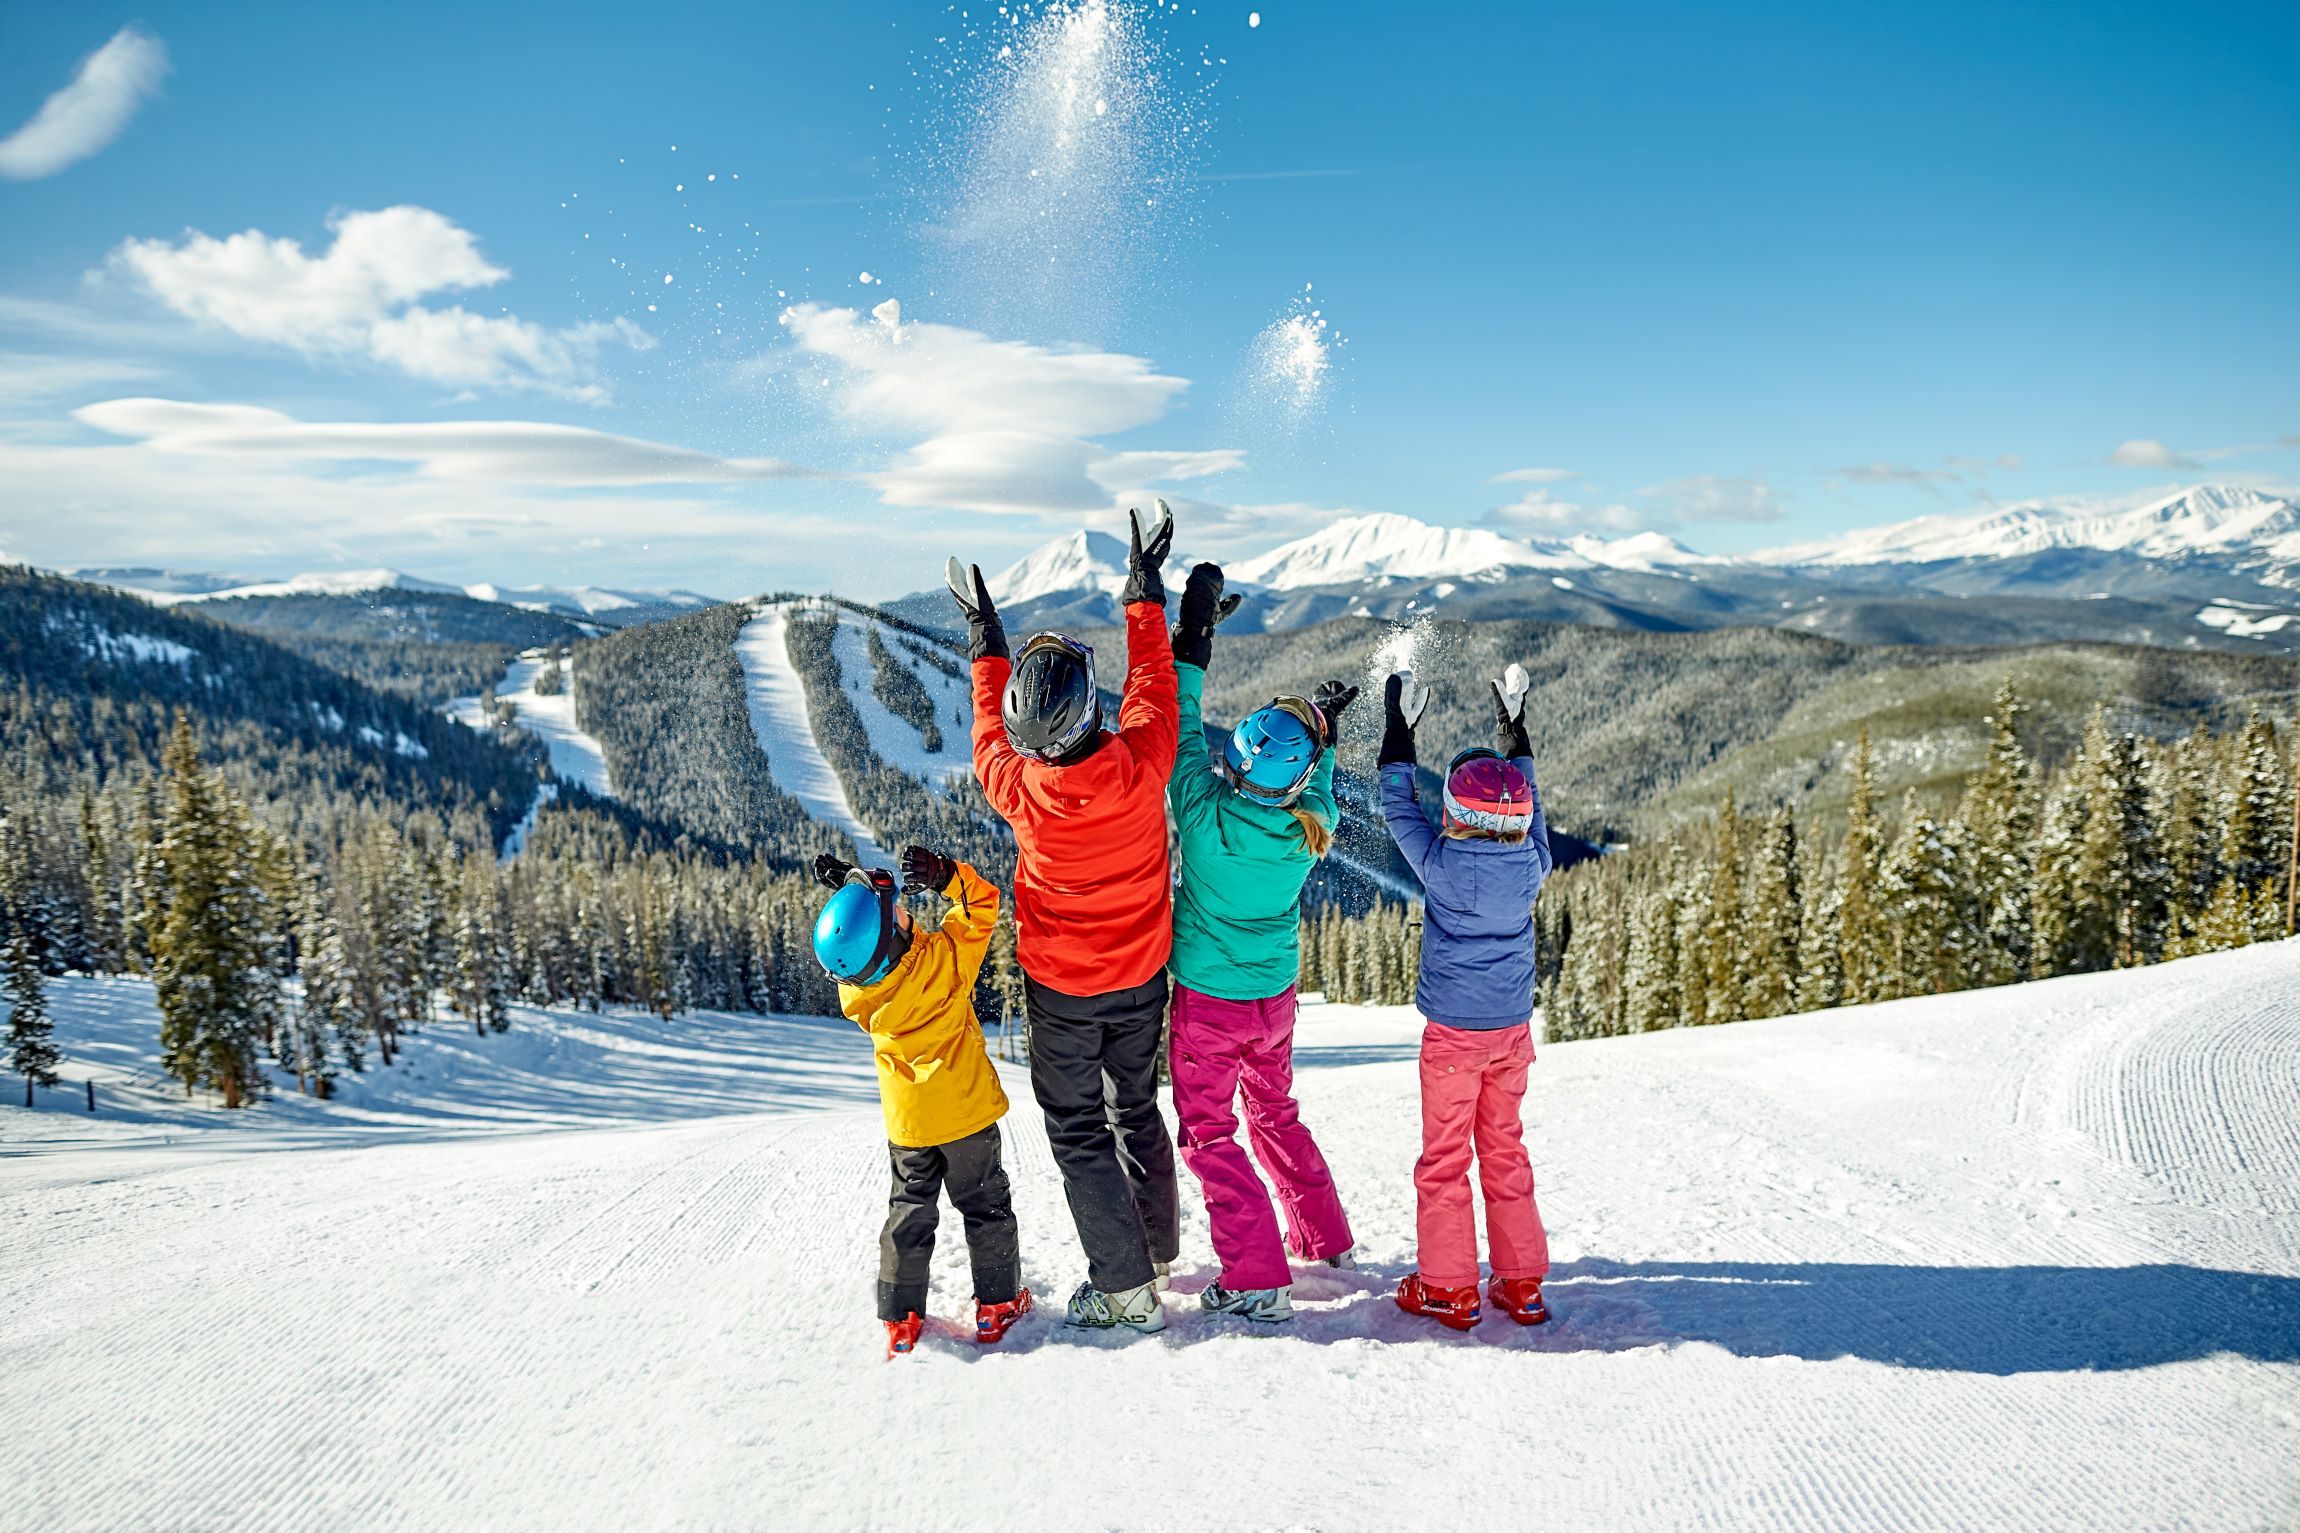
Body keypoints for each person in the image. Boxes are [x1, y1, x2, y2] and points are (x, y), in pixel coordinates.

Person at [945, 504, 1182, 1334]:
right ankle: (1154, 1252)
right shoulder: (1143, 761)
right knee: (1135, 1109)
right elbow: (1153, 680)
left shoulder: (1016, 787)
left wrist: (984, 638)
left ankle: (1126, 1289)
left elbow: (986, 732)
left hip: (1062, 993)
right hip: (1142, 978)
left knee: (1080, 1129)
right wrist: (1142, 592)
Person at [1164, 559, 1360, 1325]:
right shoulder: (1311, 828)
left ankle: (1254, 1275)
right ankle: (1324, 1238)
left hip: (1207, 1004)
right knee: (1274, 1111)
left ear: (1237, 757)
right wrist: (1324, 730)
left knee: (1210, 1133)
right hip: (1273, 1001)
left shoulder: (1201, 808)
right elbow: (1320, 784)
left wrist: (1194, 639)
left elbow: (1181, 723)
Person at [1377, 662, 1557, 1331]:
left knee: (1445, 1160)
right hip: (1511, 1034)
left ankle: (1449, 1289)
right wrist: (1517, 735)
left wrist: (1399, 732)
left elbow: (1398, 806)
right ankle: (1521, 1283)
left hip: (1453, 1037)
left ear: (1453, 812)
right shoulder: (1533, 863)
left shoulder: (1442, 865)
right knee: (1505, 1150)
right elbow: (1534, 810)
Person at [812, 843, 1030, 1359]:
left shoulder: (858, 992)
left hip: (908, 1124)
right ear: (894, 936)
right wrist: (948, 876)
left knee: (908, 1213)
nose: (906, 911)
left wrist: (852, 895)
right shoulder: (944, 962)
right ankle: (997, 1304)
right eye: (898, 914)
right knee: (985, 1206)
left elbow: (859, 946)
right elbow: (982, 903)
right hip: (965, 1114)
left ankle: (901, 1317)